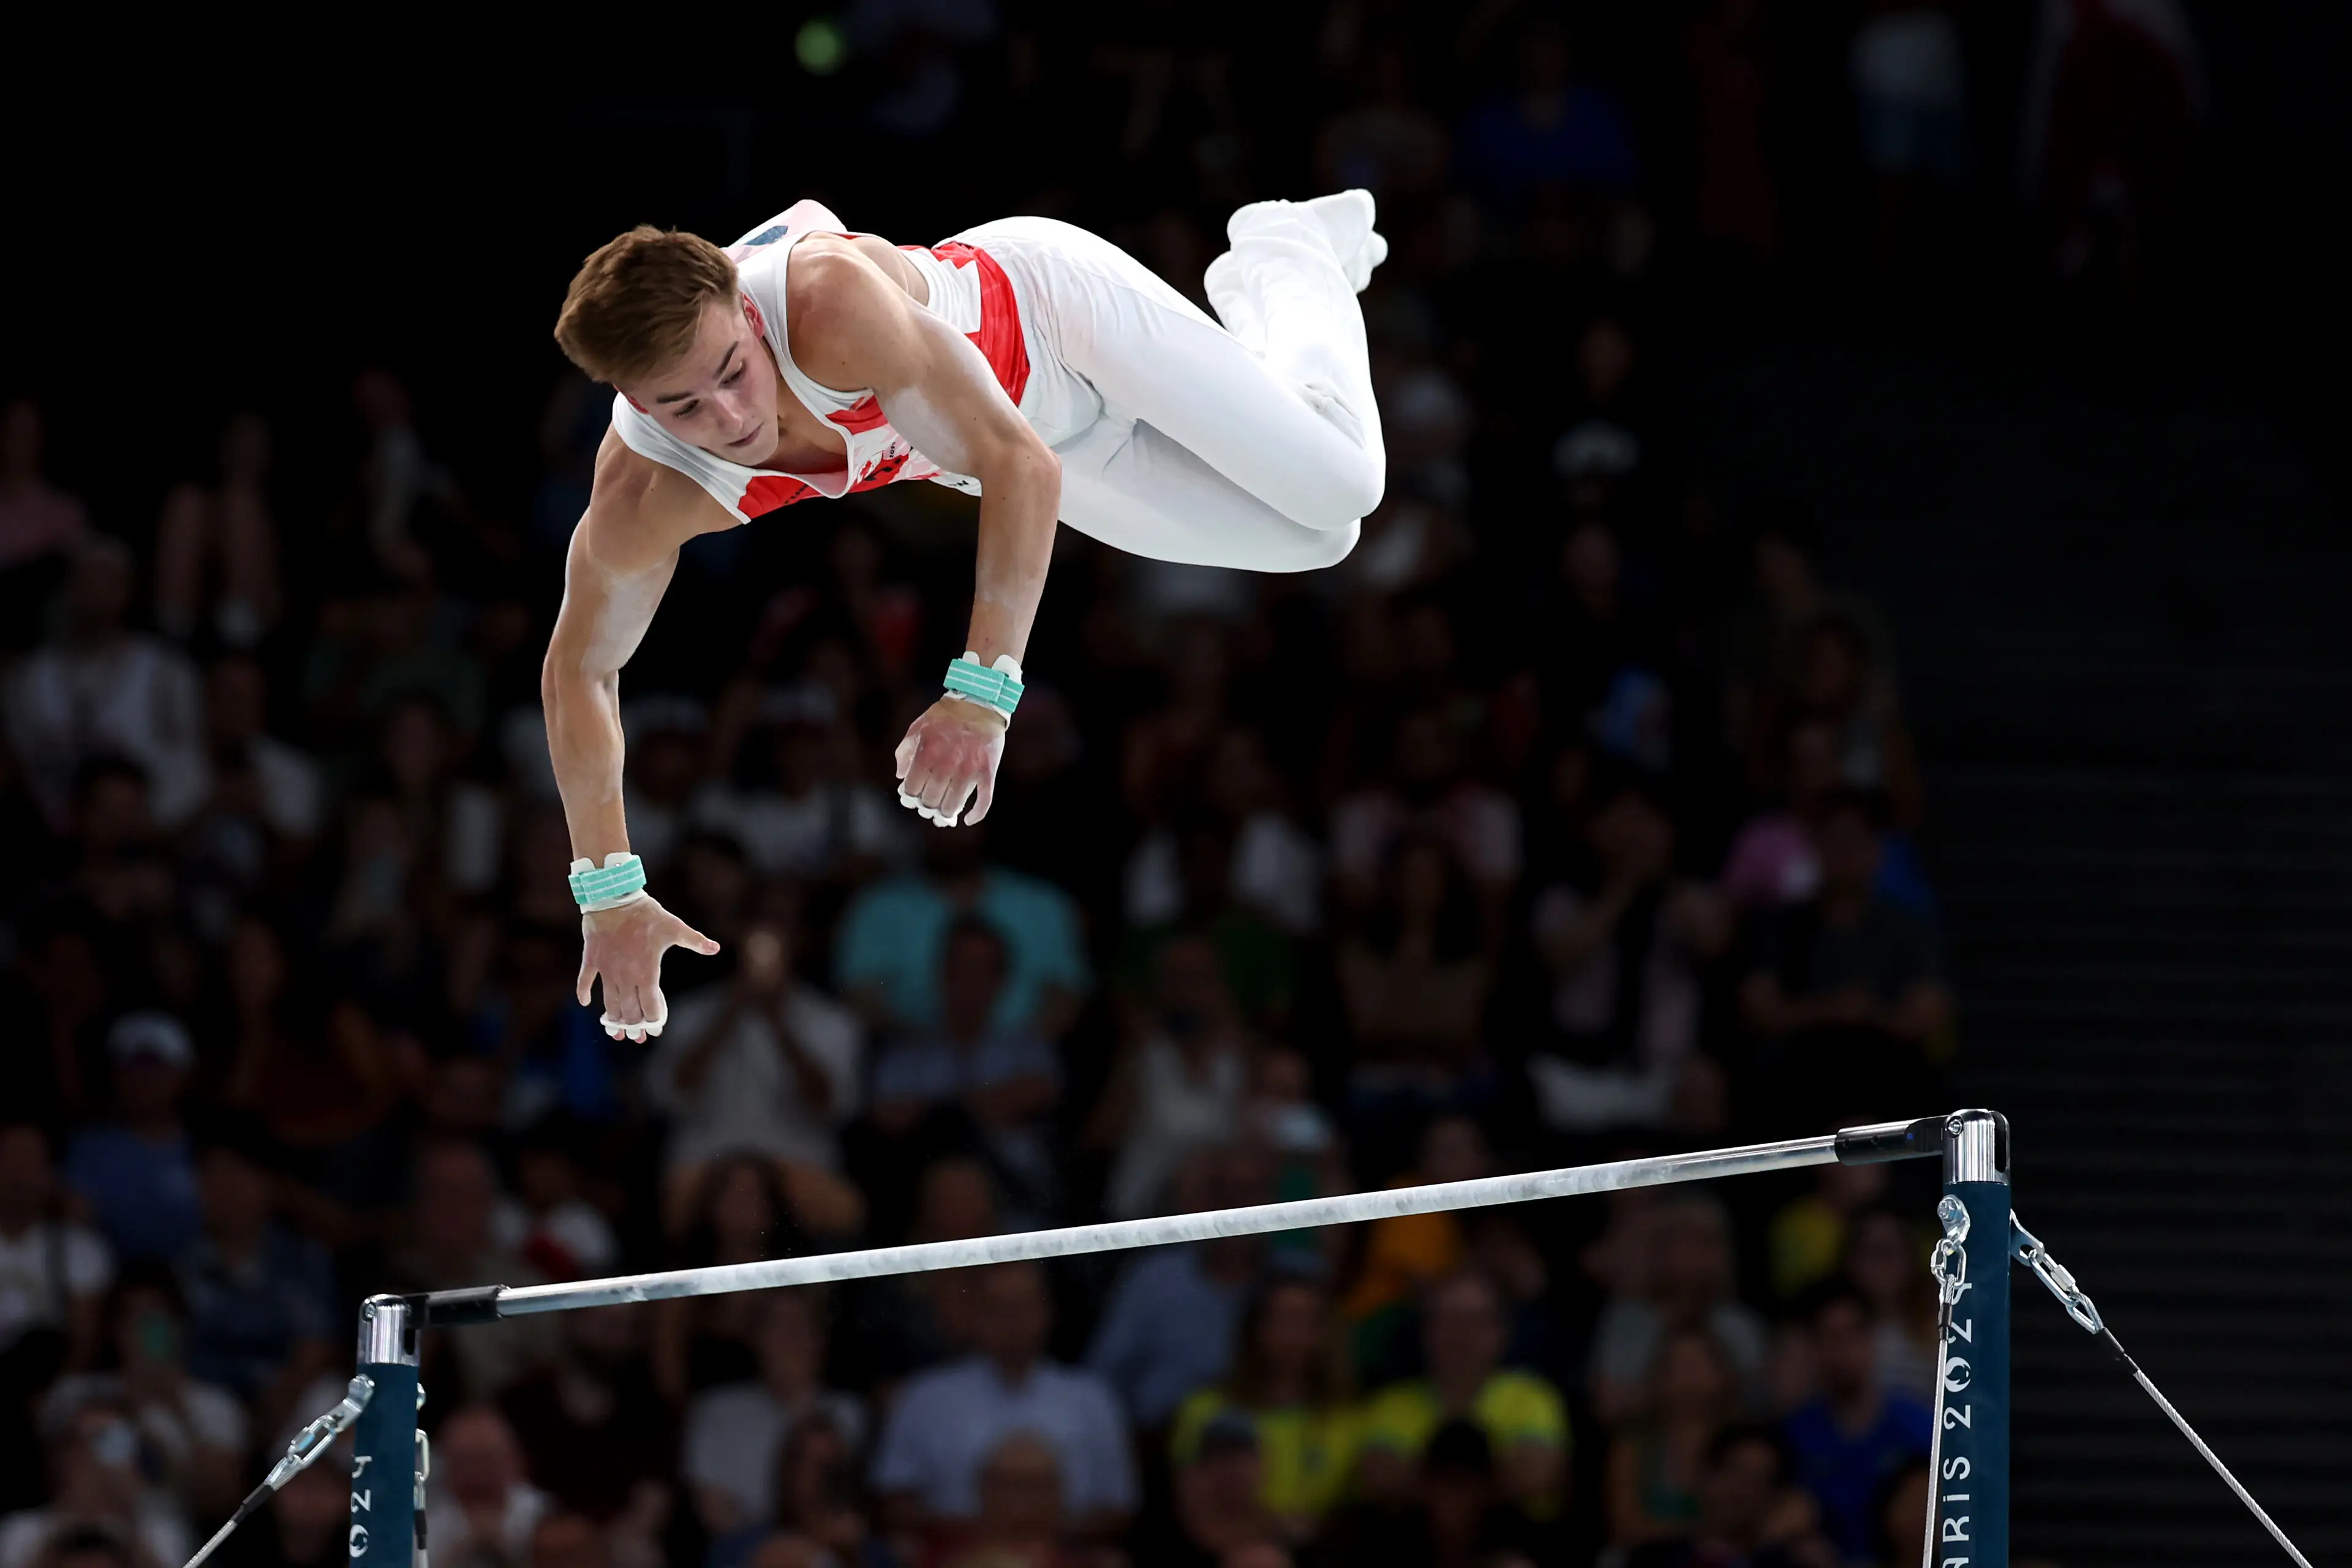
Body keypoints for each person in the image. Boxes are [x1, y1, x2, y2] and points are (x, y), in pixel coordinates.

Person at [540, 189, 1390, 1043]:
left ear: (747, 314)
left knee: (1346, 484)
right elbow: (580, 669)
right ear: (637, 404)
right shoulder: (645, 494)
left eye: (732, 371)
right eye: (683, 407)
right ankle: (1263, 309)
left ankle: (1283, 244)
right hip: (1055, 447)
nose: (729, 418)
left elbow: (1016, 461)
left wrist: (980, 696)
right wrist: (608, 893)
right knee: (1319, 541)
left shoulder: (826, 301)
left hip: (1056, 317)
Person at [870, 1263, 1134, 1543]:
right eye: (997, 1307)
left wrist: (1038, 1540)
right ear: (976, 1315)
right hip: (954, 1554)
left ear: (1048, 1313)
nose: (1011, 1321)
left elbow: (1119, 1507)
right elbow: (895, 1500)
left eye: (1022, 1306)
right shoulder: (924, 1396)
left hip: (1065, 1553)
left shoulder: (1092, 1398)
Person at [647, 920, 865, 1180]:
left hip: (801, 1163)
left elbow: (833, 1106)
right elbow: (668, 1095)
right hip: (707, 1161)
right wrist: (727, 1016)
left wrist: (780, 1026)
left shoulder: (832, 1022)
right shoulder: (689, 1014)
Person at [1357, 1272, 1569, 1517]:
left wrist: (1426, 1482)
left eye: (1475, 1321)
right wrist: (1491, 1478)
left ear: (1501, 1332)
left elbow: (1536, 1477)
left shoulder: (1533, 1398)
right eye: (1448, 1320)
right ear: (1426, 1331)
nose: (1460, 1336)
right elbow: (1378, 1479)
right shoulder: (1391, 1404)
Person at [1167, 1273, 1359, 1540]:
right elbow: (1193, 1514)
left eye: (1310, 1322)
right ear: (1255, 1329)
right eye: (1285, 1321)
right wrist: (1273, 1528)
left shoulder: (1348, 1419)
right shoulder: (1205, 1410)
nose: (1296, 1337)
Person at [683, 1292, 864, 1540]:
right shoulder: (718, 1411)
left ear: (821, 1339)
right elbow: (714, 1513)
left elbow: (845, 1506)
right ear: (756, 1339)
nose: (791, 1338)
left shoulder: (848, 1413)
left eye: (801, 1325)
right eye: (778, 1325)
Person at [1779, 1287, 1931, 1562]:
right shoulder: (1794, 1435)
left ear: (1872, 1341)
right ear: (1813, 1349)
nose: (1842, 1350)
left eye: (1853, 1334)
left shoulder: (1919, 1426)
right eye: (1830, 1337)